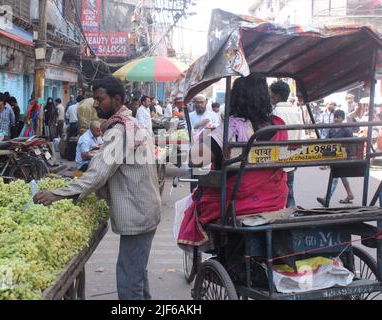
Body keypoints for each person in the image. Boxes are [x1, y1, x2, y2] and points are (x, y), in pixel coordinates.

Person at [34, 76, 161, 300]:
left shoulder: (119, 131)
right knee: (137, 276)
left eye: (99, 99)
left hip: (138, 214)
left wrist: (57, 194)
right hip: (145, 210)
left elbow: (97, 175)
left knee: (129, 285)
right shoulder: (128, 124)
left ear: (116, 99)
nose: (94, 104)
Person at [178, 73, 288, 248]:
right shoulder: (278, 125)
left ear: (235, 99)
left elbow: (195, 159)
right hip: (276, 199)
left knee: (198, 202)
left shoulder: (231, 128)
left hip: (237, 203)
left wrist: (206, 136)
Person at [270, 80, 306, 208]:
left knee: (276, 190)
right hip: (292, 155)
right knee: (290, 189)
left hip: (277, 157)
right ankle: (291, 213)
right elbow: (302, 136)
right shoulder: (296, 111)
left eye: (271, 94)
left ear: (276, 96)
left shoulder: (274, 113)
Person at [317, 110, 355, 206]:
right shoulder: (331, 129)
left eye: (338, 117)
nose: (336, 119)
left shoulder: (346, 129)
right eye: (335, 117)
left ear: (342, 118)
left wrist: (348, 155)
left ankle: (327, 199)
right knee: (341, 175)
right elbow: (327, 142)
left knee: (335, 176)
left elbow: (351, 144)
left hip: (343, 156)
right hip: (334, 156)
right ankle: (350, 194)